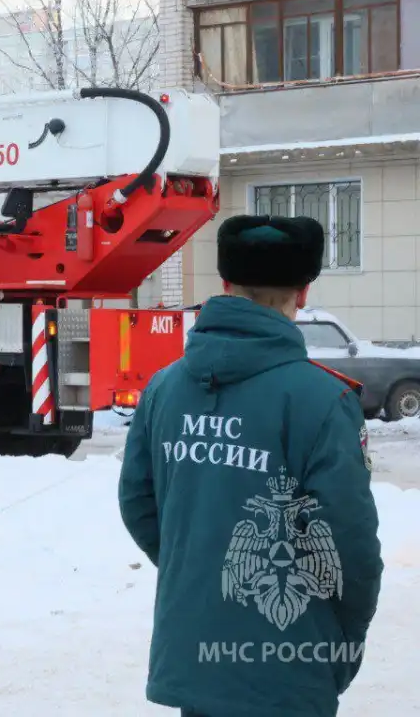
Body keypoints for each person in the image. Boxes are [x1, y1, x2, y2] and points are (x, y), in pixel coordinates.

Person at [118, 214, 383, 717]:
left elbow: (139, 504)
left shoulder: (164, 388)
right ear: (303, 293)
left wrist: (205, 572)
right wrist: (343, 640)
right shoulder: (322, 400)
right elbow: (350, 548)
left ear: (224, 284)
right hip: (288, 668)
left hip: (195, 660)